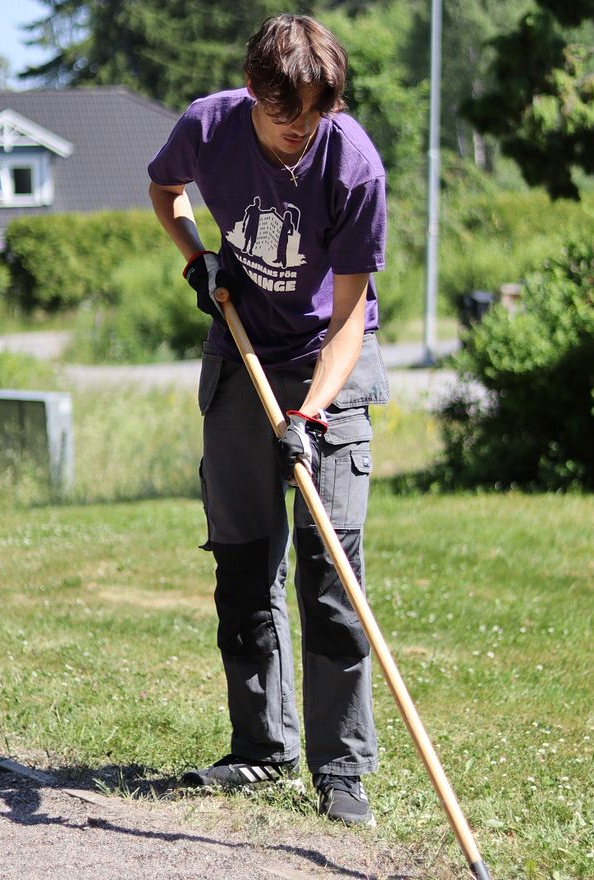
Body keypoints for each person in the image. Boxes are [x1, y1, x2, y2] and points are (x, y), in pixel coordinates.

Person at [147, 13, 389, 828]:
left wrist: (312, 415)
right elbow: (164, 190)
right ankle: (260, 750)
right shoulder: (208, 125)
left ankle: (342, 768)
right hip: (241, 356)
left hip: (330, 366)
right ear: (254, 92)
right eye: (290, 114)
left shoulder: (352, 162)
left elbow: (352, 317)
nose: (304, 130)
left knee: (331, 574)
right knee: (244, 566)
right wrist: (196, 256)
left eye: (319, 111)